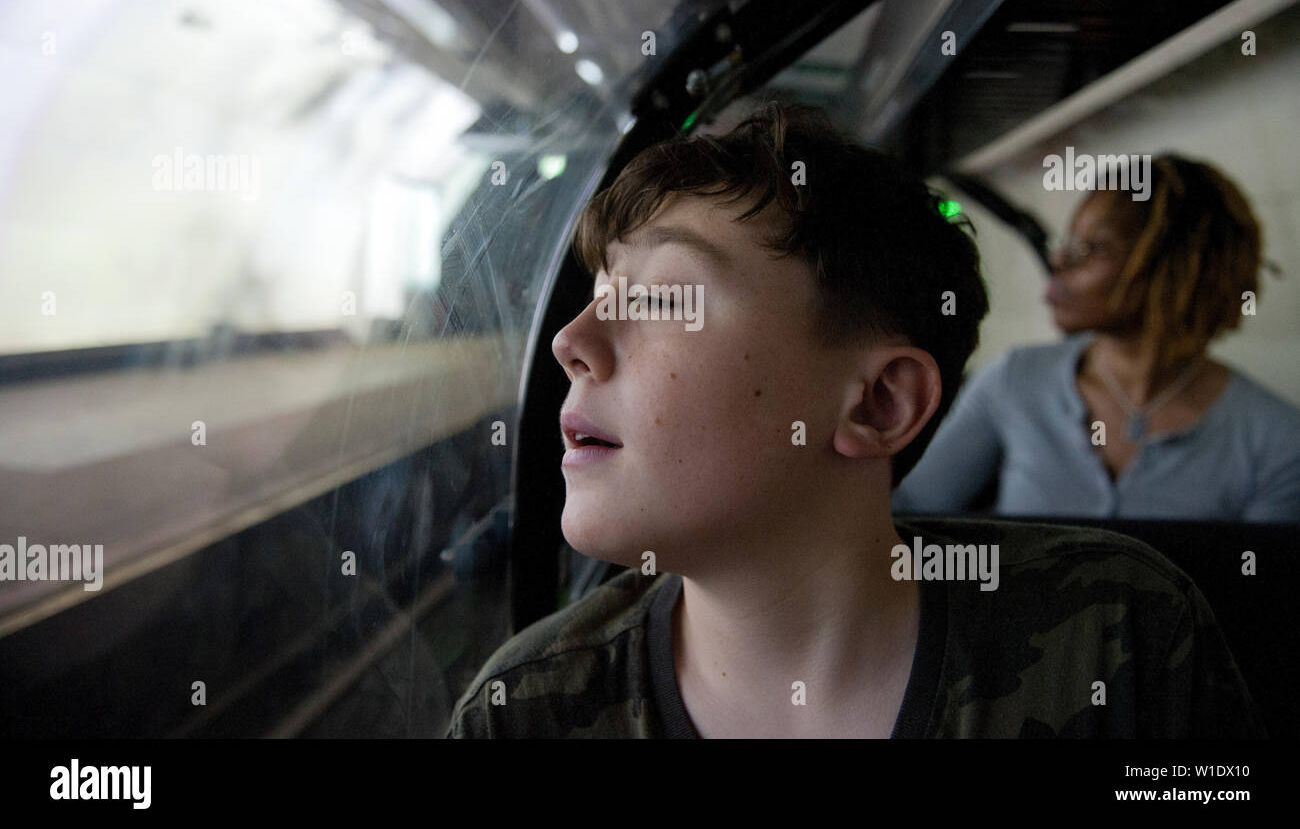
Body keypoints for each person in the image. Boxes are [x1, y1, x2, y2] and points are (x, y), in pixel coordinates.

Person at [447, 105, 1265, 737]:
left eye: (665, 295)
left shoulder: (1124, 637)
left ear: (880, 404)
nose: (570, 340)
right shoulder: (521, 712)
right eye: (598, 294)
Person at [894, 155, 1300, 521]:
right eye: (1067, 242)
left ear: (1173, 271)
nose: (1058, 260)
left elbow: (1261, 595)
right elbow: (910, 510)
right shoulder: (1014, 379)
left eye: (1091, 247)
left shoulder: (1276, 441)